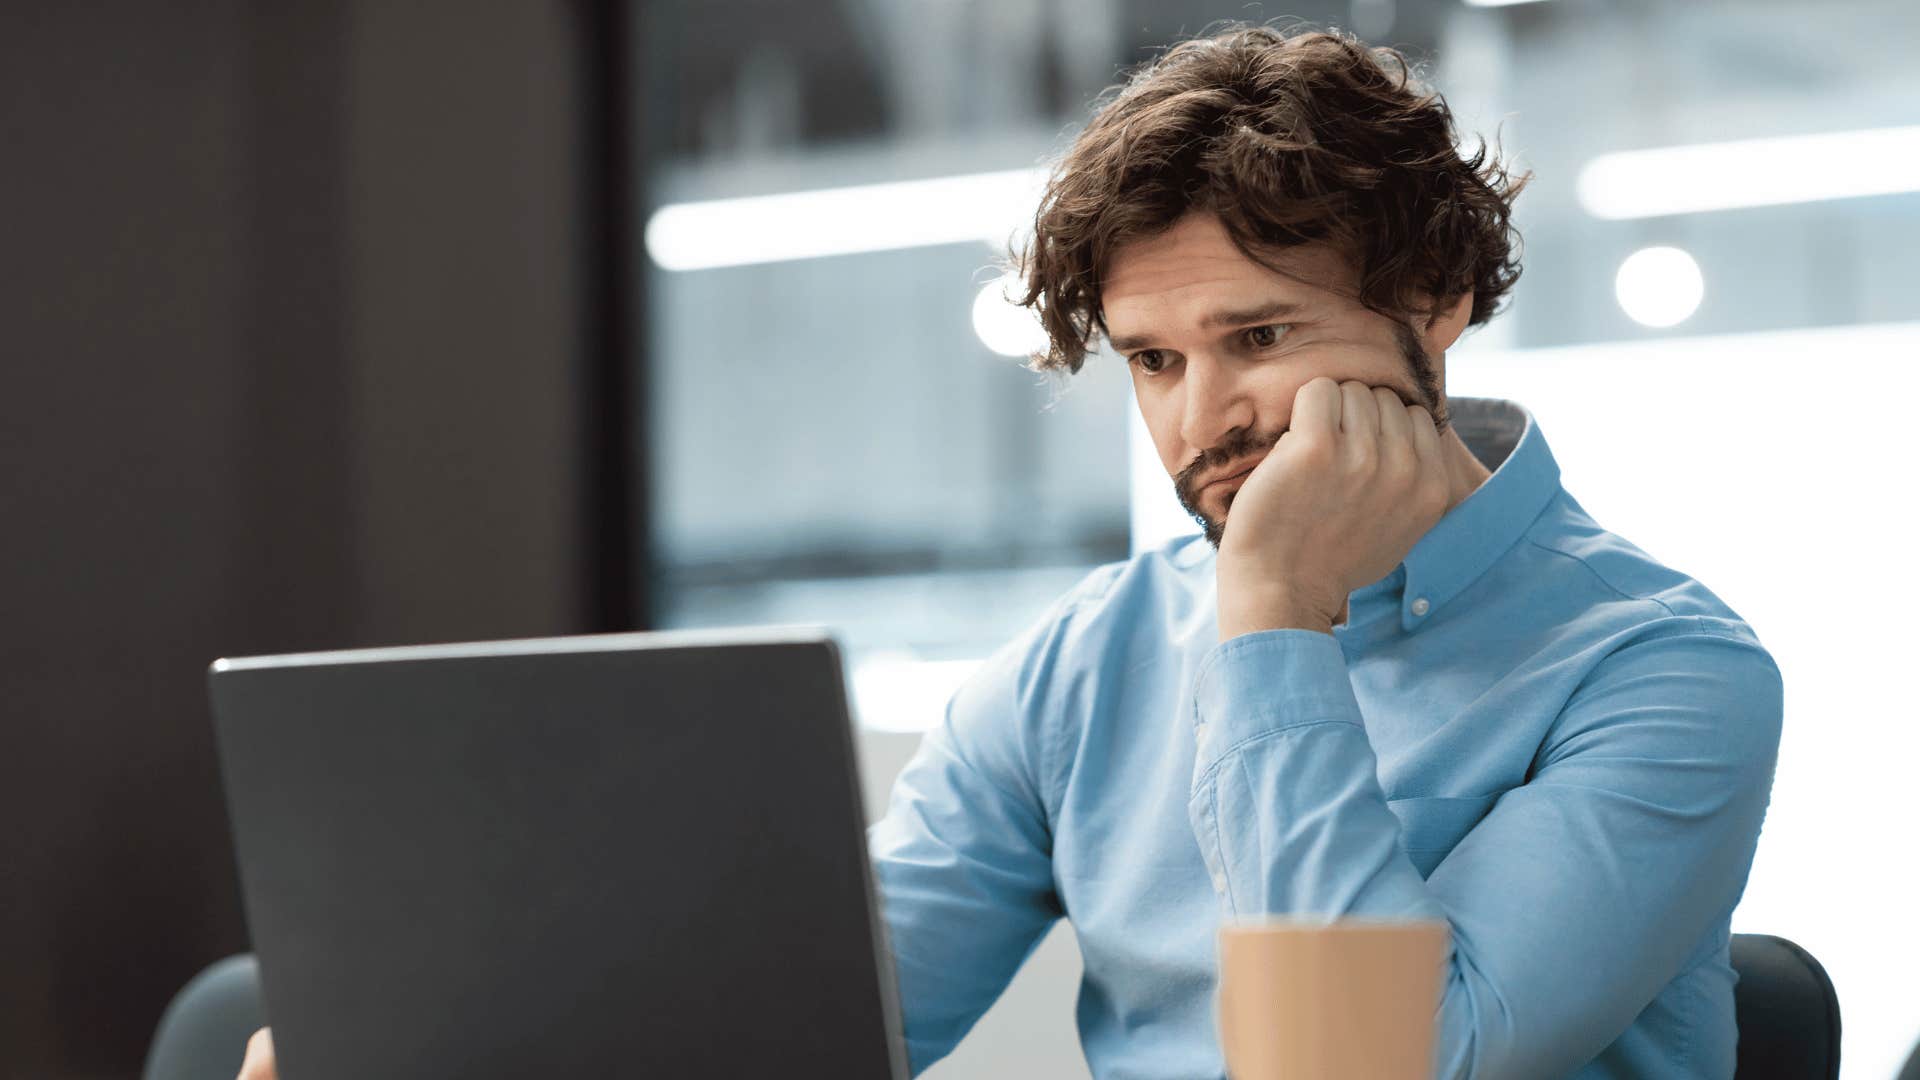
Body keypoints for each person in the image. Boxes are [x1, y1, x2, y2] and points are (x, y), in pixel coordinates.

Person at [238, 24, 1782, 1080]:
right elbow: (826, 1030)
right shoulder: (1084, 664)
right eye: (1154, 361)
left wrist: (1273, 630)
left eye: (1259, 338)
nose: (1204, 417)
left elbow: (1375, 1065)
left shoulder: (1662, 670)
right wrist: (430, 1048)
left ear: (1433, 303)